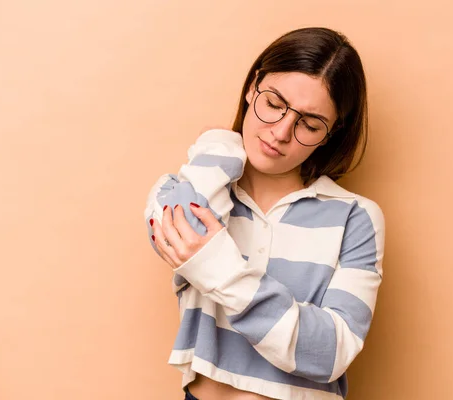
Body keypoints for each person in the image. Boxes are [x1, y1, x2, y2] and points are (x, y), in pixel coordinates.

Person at [144, 27, 385, 400]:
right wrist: (221, 145)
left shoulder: (355, 217)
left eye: (309, 124)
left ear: (331, 133)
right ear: (252, 85)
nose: (281, 132)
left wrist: (218, 268)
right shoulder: (194, 183)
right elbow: (179, 234)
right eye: (273, 103)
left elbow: (330, 353)